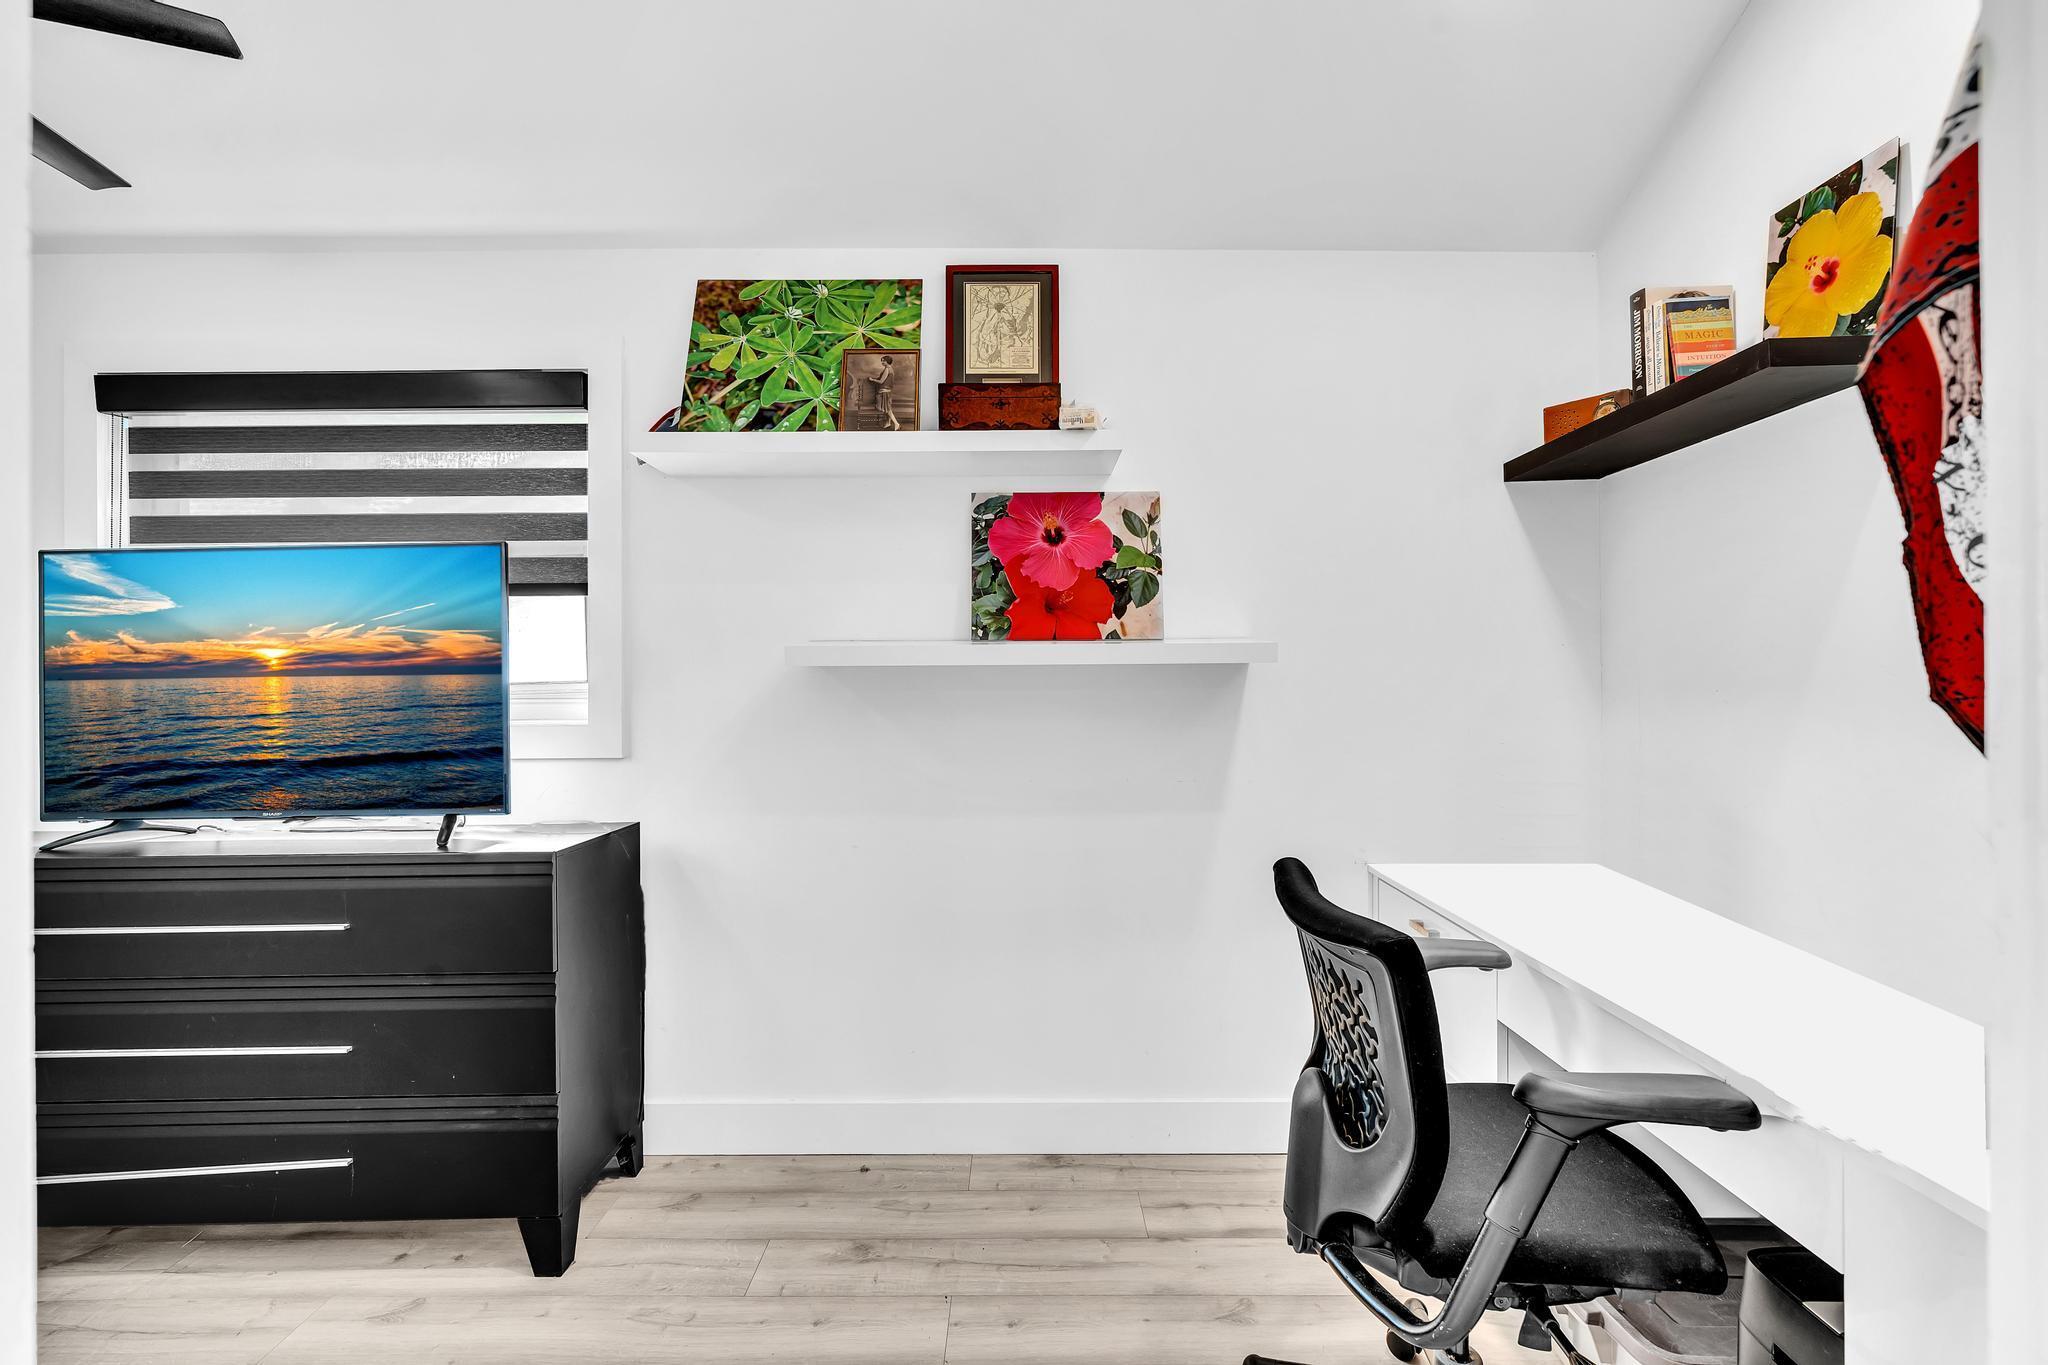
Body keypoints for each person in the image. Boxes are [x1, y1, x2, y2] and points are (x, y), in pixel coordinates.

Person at [872, 354, 901, 431]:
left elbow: (881, 381)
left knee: (887, 409)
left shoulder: (887, 369)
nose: (882, 362)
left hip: (885, 391)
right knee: (887, 408)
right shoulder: (890, 369)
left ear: (887, 361)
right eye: (881, 361)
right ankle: (888, 423)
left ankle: (896, 424)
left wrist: (872, 380)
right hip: (887, 391)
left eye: (883, 361)